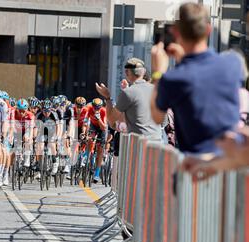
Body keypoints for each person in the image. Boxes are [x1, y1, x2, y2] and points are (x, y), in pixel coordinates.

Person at [150, 3, 243, 155]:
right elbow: (202, 76)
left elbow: (156, 117)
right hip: (229, 162)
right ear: (208, 29)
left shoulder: (173, 79)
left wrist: (158, 73)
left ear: (176, 32)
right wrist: (184, 60)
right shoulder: (233, 64)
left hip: (195, 166)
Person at [96, 57, 162, 142]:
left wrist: (107, 98)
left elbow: (112, 120)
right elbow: (164, 121)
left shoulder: (128, 92)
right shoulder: (157, 90)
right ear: (144, 72)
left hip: (139, 145)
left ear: (127, 72)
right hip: (157, 144)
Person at [80, 98, 107, 183]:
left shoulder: (103, 111)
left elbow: (104, 127)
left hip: (102, 128)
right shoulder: (90, 109)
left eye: (98, 108)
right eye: (94, 107)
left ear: (100, 107)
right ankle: (87, 155)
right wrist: (84, 133)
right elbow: (85, 123)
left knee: (100, 150)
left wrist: (98, 118)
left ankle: (97, 174)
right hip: (93, 126)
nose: (96, 109)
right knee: (90, 139)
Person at [34, 99, 62, 179]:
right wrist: (34, 137)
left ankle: (55, 161)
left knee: (52, 144)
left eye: (48, 111)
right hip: (42, 130)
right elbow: (35, 127)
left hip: (52, 131)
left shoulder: (54, 114)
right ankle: (39, 166)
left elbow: (58, 127)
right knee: (40, 146)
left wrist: (57, 136)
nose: (46, 113)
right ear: (42, 110)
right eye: (45, 111)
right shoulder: (39, 114)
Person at [13, 98, 35, 168]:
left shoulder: (30, 115)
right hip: (17, 131)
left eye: (23, 111)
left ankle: (27, 159)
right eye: (20, 110)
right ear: (17, 109)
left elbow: (31, 129)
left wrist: (30, 139)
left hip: (27, 130)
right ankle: (18, 156)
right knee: (16, 141)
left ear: (27, 109)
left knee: (27, 138)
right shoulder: (14, 114)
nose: (22, 113)